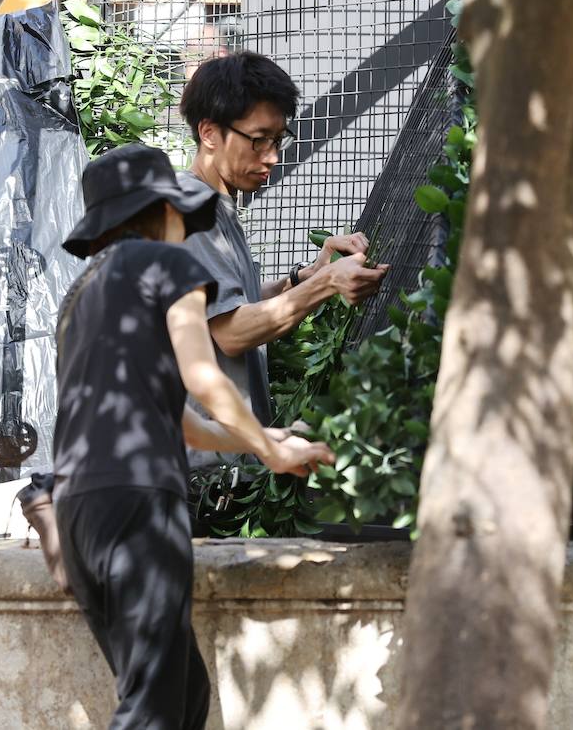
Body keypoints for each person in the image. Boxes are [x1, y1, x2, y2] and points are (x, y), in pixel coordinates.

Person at [52, 143, 335, 729]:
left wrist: (266, 439)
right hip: (139, 502)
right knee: (154, 708)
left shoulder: (80, 298)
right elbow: (204, 377)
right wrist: (269, 449)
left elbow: (187, 424)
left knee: (183, 693)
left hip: (80, 509)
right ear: (163, 212)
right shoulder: (168, 266)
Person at [176, 52, 387, 433]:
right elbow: (231, 332)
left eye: (277, 139)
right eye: (258, 141)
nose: (272, 157)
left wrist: (304, 277)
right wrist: (328, 284)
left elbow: (228, 307)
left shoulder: (216, 205)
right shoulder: (190, 207)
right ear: (209, 133)